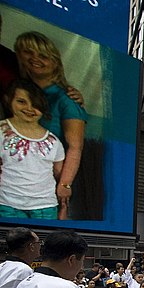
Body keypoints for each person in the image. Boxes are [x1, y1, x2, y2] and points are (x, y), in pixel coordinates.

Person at [14, 33, 85, 220]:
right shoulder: (18, 91)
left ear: (55, 62)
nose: (34, 59)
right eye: (28, 52)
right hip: (15, 184)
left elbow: (75, 146)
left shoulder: (66, 100)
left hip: (48, 187)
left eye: (43, 56)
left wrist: (64, 185)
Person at [0, 79, 65, 219]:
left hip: (45, 207)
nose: (29, 108)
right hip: (7, 204)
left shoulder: (54, 141)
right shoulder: (1, 130)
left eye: (35, 104)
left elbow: (58, 173)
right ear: (8, 100)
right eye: (21, 102)